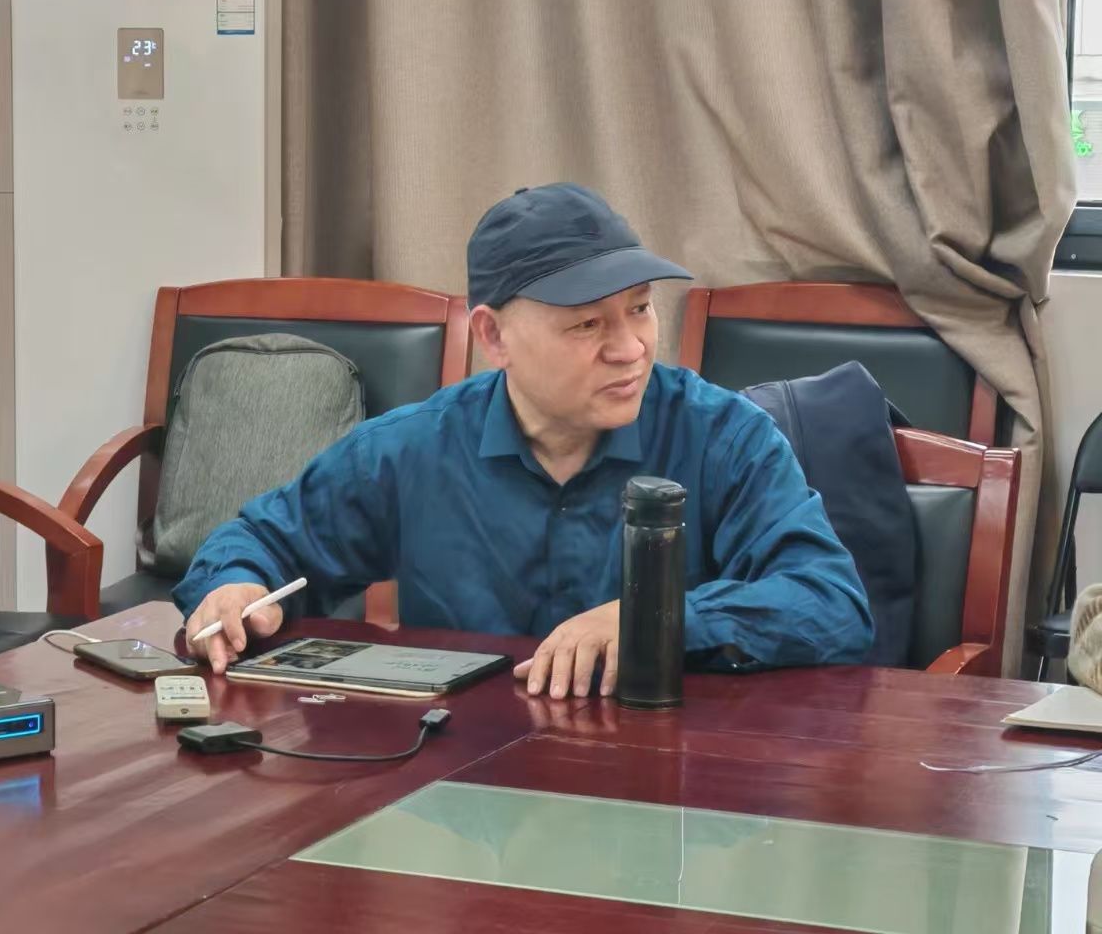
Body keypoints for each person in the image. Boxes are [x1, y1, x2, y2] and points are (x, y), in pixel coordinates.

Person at [174, 182, 873, 697]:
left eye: (639, 310)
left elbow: (831, 603)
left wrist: (657, 620)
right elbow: (260, 541)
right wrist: (235, 586)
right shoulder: (413, 450)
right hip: (462, 782)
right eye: (588, 324)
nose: (631, 348)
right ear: (494, 336)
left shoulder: (723, 436)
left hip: (666, 778)